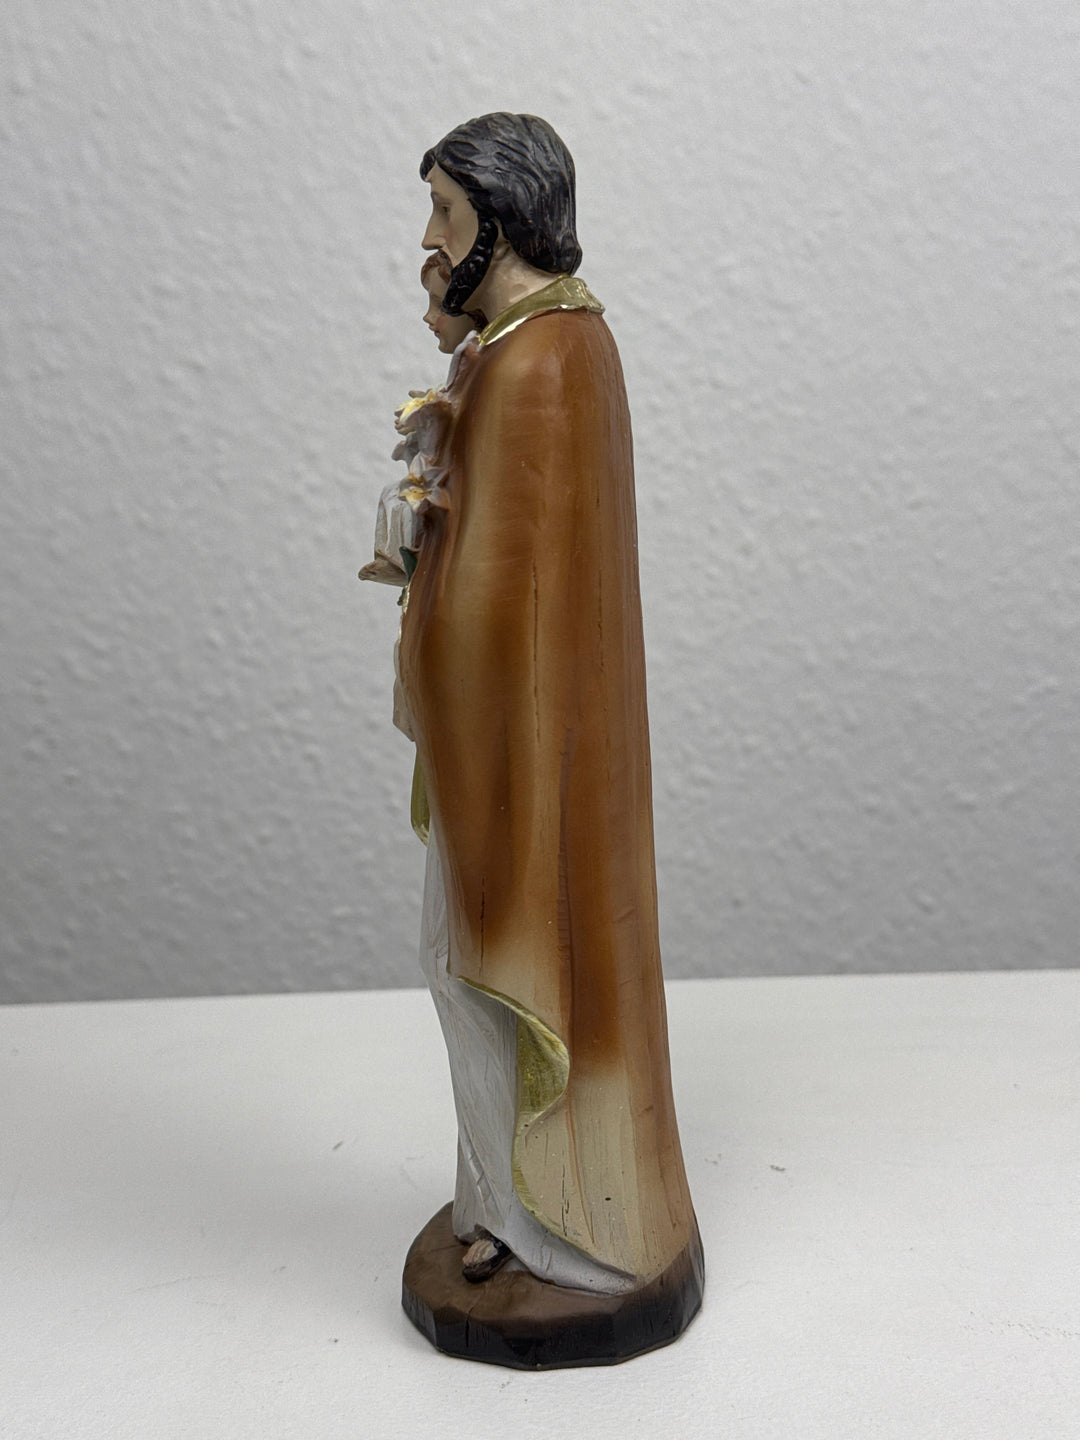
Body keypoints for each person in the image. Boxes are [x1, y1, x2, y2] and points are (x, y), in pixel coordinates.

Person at [396, 113, 702, 1360]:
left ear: (503, 224)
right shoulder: (523, 349)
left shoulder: (543, 362)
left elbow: (498, 599)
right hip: (513, 733)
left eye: (444, 215)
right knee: (458, 971)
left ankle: (554, 1235)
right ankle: (500, 1210)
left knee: (481, 971)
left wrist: (428, 549)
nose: (427, 243)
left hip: (524, 751)